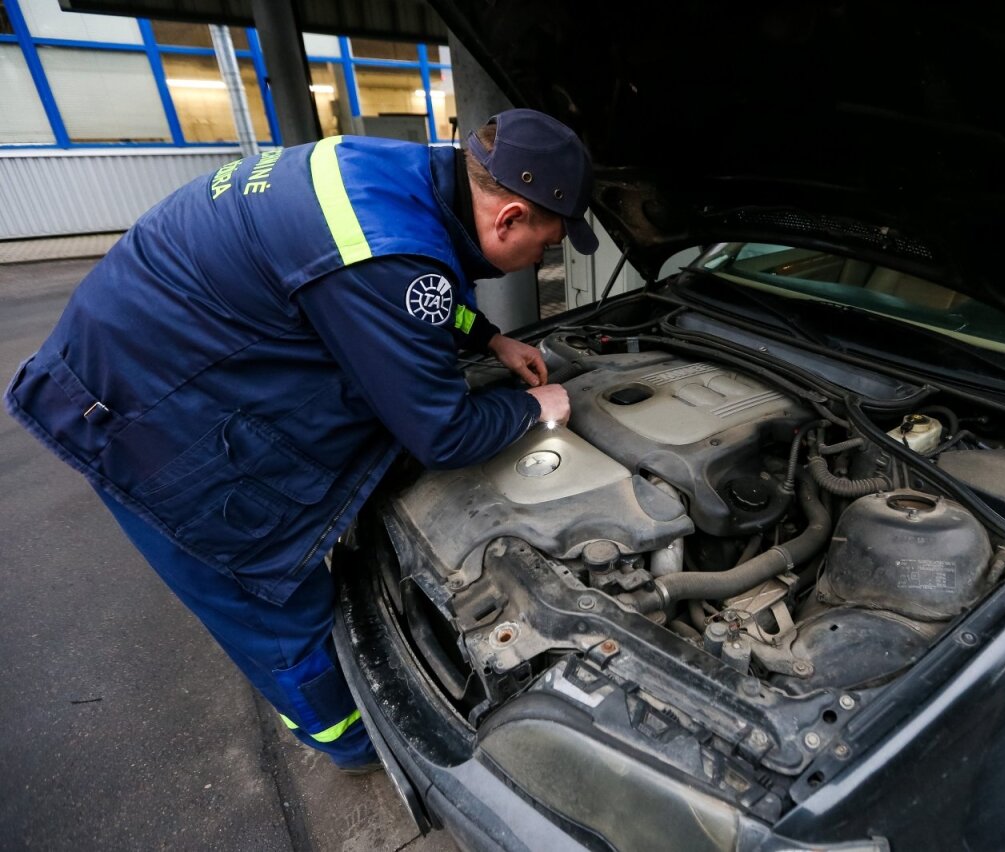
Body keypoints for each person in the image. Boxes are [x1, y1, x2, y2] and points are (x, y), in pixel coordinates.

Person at [4, 108, 598, 773]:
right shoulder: (390, 249)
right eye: (544, 245)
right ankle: (355, 741)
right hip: (142, 414)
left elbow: (422, 292)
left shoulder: (406, 176)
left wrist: (487, 338)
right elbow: (445, 432)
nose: (540, 258)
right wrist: (529, 409)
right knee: (274, 602)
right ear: (510, 217)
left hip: (155, 344)